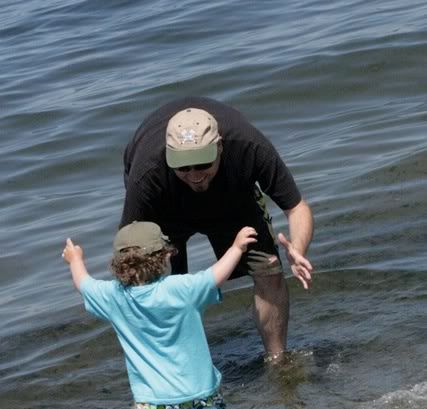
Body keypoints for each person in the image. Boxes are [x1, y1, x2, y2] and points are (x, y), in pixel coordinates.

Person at [62, 221, 257, 409]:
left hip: (152, 399)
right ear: (164, 257)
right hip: (199, 390)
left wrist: (75, 260)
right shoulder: (182, 288)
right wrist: (236, 247)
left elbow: (83, 283)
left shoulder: (114, 297)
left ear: (120, 265)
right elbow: (216, 274)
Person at [120, 96, 314, 362]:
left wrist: (298, 247)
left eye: (203, 164)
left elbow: (296, 207)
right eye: (183, 167)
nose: (195, 175)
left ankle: (278, 360)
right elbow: (128, 246)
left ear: (220, 146)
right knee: (162, 290)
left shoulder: (248, 147)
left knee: (269, 270)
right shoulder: (147, 173)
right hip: (166, 210)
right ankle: (175, 366)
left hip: (233, 198)